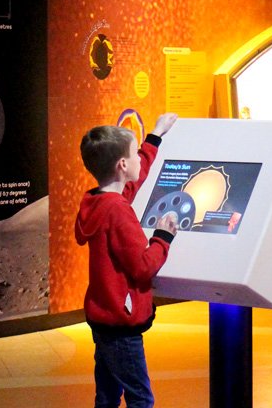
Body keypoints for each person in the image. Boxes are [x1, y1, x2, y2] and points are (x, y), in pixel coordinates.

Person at [75, 113, 179, 408]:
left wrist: (155, 135)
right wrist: (163, 237)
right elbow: (143, 267)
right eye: (134, 154)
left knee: (107, 396)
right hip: (122, 326)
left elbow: (136, 176)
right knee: (140, 398)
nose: (138, 160)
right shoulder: (118, 211)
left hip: (103, 320)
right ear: (122, 165)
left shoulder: (96, 202)